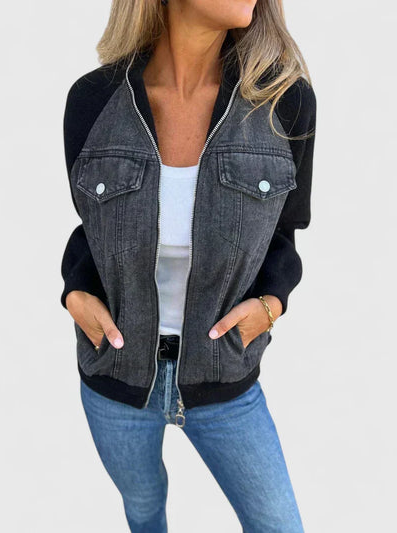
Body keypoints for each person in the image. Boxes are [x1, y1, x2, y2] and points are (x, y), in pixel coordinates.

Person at [60, 1, 316, 531]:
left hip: (224, 375)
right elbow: (91, 229)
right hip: (115, 375)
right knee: (144, 506)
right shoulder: (93, 100)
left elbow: (284, 234)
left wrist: (271, 305)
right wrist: (74, 292)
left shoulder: (284, 101)